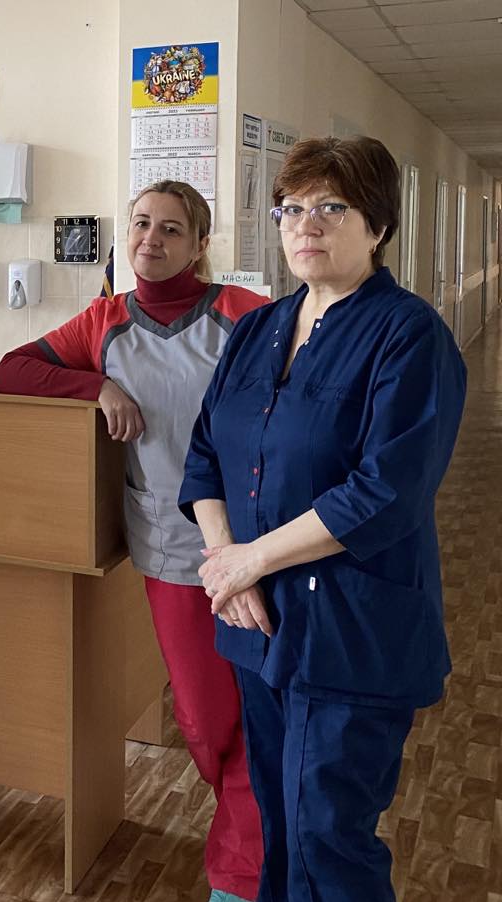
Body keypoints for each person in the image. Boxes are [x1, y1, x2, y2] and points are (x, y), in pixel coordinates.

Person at [180, 135, 466, 901]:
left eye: (332, 208)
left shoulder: (409, 336)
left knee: (327, 837)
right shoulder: (256, 330)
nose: (306, 224)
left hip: (351, 633)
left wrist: (252, 560)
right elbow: (205, 454)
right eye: (292, 208)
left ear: (377, 225)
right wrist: (228, 565)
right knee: (276, 822)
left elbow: (385, 491)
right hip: (256, 620)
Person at [0, 181, 265, 902]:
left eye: (171, 229)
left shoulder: (245, 314)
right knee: (205, 722)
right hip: (172, 549)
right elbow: (9, 371)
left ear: (199, 245)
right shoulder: (105, 321)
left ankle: (242, 871)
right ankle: (258, 843)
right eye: (141, 224)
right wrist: (98, 390)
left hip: (257, 549)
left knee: (262, 713)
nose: (152, 239)